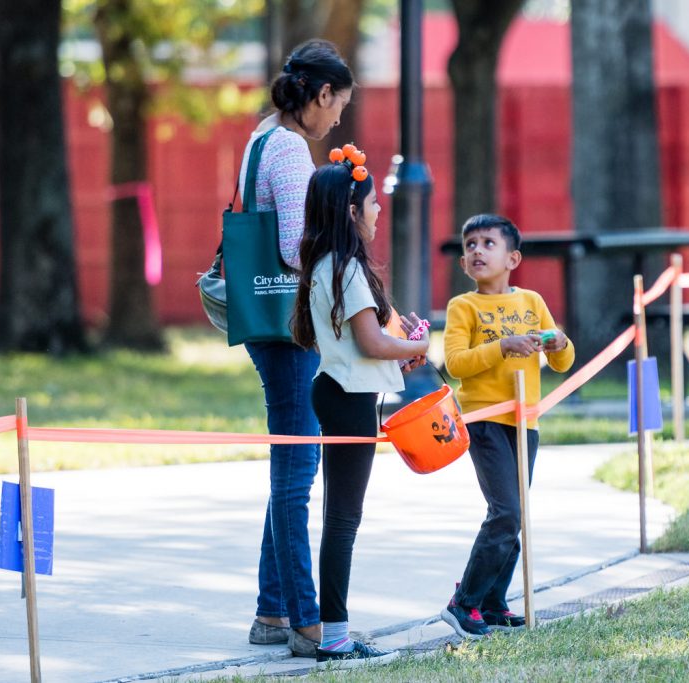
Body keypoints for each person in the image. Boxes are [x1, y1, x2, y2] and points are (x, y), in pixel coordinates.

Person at [291, 149, 429, 667]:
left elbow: (364, 346)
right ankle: (335, 639)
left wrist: (401, 355)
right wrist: (412, 348)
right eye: (372, 204)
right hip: (347, 400)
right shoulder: (347, 268)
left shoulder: (328, 264)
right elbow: (372, 343)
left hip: (342, 391)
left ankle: (335, 632)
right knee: (344, 519)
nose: (378, 213)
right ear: (351, 212)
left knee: (340, 516)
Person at [241, 40, 354, 657]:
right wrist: (349, 226)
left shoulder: (262, 134)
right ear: (320, 94)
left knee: (289, 468)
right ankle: (308, 624)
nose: (337, 119)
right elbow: (294, 247)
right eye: (337, 105)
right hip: (289, 331)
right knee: (297, 477)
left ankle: (271, 613)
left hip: (270, 328)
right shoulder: (288, 148)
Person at [440, 213, 575, 638]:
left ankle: (494, 604)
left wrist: (560, 343)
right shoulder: (463, 306)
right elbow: (457, 363)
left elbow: (562, 362)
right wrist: (502, 346)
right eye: (471, 246)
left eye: (487, 243)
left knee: (515, 515)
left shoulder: (532, 302)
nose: (477, 251)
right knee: (506, 512)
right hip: (484, 422)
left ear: (512, 257)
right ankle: (464, 603)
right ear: (463, 263)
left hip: (525, 421)